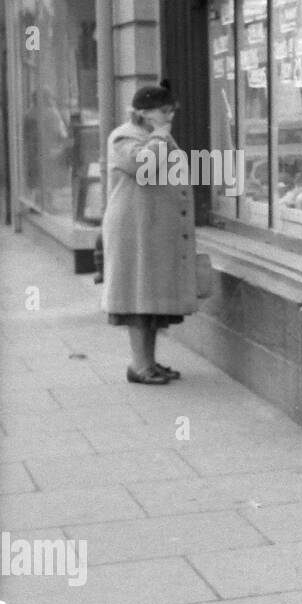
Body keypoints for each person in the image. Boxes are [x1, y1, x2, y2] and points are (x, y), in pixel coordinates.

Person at [102, 82, 198, 384]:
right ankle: (138, 366)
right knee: (137, 301)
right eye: (163, 111)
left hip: (153, 230)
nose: (169, 117)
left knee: (152, 300)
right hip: (134, 232)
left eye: (171, 111)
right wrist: (159, 133)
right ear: (143, 113)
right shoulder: (123, 137)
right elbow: (145, 164)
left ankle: (150, 362)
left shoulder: (156, 137)